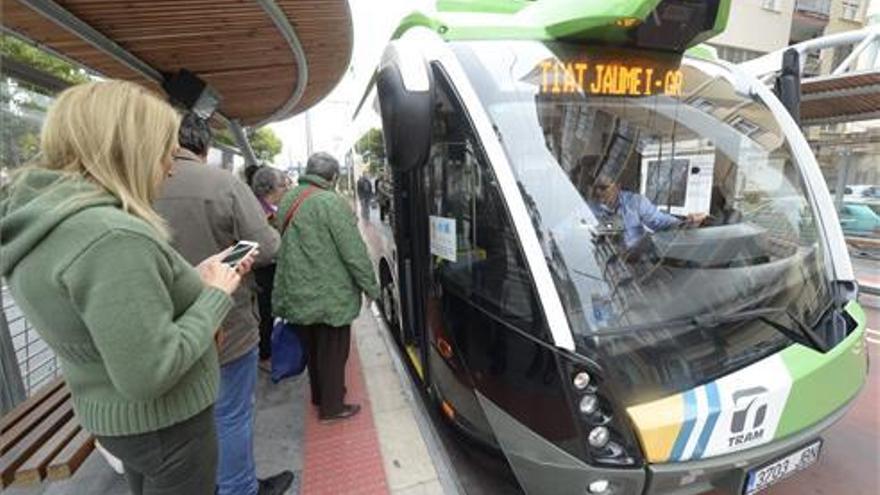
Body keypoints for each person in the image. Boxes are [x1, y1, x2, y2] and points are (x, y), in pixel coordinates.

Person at [0, 81, 246, 495]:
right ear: (127, 149)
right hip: (167, 429)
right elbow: (150, 371)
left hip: (120, 422)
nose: (169, 168)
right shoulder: (112, 237)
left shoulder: (48, 220)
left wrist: (193, 276)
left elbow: (118, 315)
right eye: (163, 152)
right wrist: (215, 296)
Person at [153, 113, 290, 495]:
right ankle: (239, 488)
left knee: (188, 419)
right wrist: (224, 264)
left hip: (164, 329)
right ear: (205, 145)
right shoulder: (223, 184)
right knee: (231, 414)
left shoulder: (136, 183)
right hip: (225, 324)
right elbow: (268, 245)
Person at [273, 152, 380, 421]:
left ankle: (319, 396)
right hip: (329, 294)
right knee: (333, 352)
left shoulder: (289, 199)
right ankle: (332, 408)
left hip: (296, 290)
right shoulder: (331, 202)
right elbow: (353, 251)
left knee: (312, 349)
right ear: (332, 177)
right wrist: (371, 287)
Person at [586, 161, 707, 250]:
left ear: (617, 186)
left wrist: (687, 223)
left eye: (603, 187)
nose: (598, 192)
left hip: (637, 259)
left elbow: (660, 222)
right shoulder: (587, 208)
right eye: (595, 188)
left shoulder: (635, 202)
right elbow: (584, 233)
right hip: (607, 261)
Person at [250, 167, 289, 367]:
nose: (285, 190)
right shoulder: (257, 211)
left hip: (269, 267)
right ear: (271, 188)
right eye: (283, 185)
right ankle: (265, 353)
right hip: (262, 269)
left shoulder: (269, 208)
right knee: (265, 311)